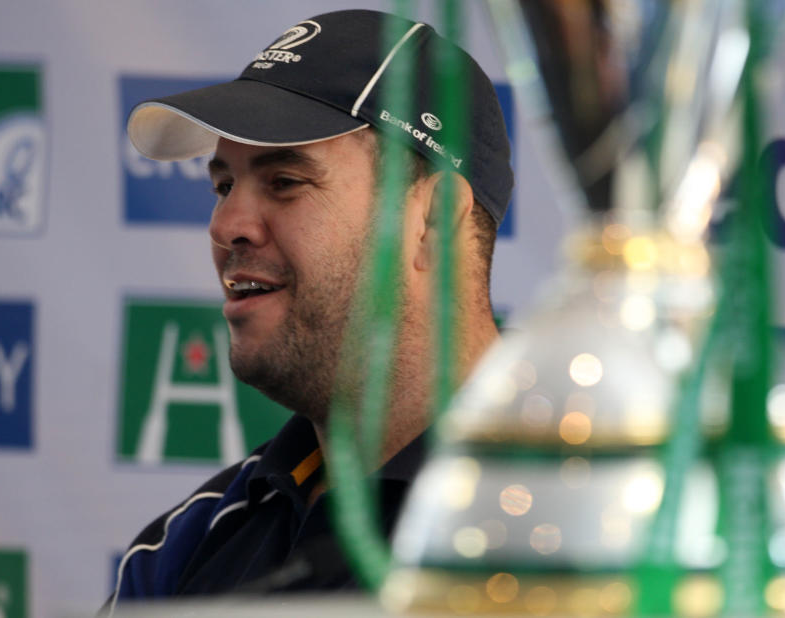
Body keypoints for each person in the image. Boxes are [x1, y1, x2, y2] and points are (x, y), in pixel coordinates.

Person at [106, 8, 512, 612]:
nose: (226, 226)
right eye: (223, 186)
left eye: (286, 181)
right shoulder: (189, 545)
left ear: (432, 221)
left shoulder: (575, 526)